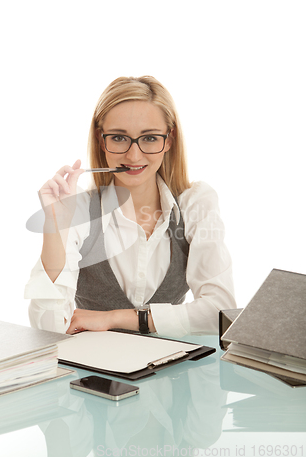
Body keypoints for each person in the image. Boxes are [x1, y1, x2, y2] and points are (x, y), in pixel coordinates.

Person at [25, 76, 236, 337]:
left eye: (149, 138)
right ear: (102, 141)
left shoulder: (195, 202)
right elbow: (49, 328)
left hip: (170, 370)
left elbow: (220, 313)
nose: (133, 156)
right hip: (94, 370)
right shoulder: (79, 209)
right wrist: (55, 228)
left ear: (168, 141)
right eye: (118, 138)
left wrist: (116, 318)